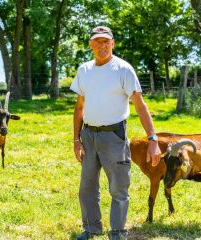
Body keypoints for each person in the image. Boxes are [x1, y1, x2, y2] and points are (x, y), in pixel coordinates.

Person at [70, 26, 162, 240]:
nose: (102, 45)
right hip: (88, 136)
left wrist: (153, 139)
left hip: (114, 137)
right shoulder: (84, 70)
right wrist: (76, 139)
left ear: (112, 43)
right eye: (97, 41)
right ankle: (92, 228)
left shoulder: (123, 69)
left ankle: (117, 232)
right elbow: (79, 108)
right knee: (87, 187)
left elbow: (140, 106)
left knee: (118, 188)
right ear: (91, 45)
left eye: (106, 41)